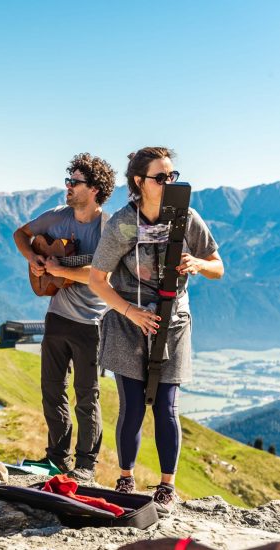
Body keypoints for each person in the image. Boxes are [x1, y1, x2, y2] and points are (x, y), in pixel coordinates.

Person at [88, 147, 223, 516]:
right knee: (131, 405)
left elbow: (218, 266)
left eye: (172, 176)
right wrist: (131, 312)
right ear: (138, 182)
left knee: (166, 406)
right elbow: (97, 281)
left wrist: (196, 263)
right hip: (128, 322)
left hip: (173, 321)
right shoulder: (123, 224)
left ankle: (167, 487)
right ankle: (126, 480)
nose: (168, 183)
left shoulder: (186, 217)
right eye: (160, 178)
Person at [13, 153, 116, 481]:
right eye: (68, 180)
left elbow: (107, 277)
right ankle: (57, 458)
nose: (67, 187)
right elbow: (21, 234)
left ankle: (86, 466)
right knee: (52, 389)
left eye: (75, 182)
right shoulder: (57, 217)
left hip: (91, 322)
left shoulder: (109, 229)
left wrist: (60, 268)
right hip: (57, 316)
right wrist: (34, 258)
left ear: (95, 189)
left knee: (87, 395)